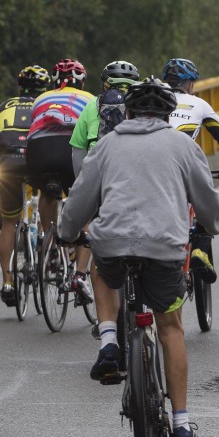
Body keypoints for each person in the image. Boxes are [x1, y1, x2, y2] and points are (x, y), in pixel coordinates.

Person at [58, 77, 219, 437]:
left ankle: (109, 343)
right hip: (165, 250)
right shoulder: (183, 145)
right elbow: (207, 199)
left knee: (102, 269)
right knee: (171, 328)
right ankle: (182, 425)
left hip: (113, 245)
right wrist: (214, 225)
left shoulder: (106, 145)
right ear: (169, 114)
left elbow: (82, 197)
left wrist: (67, 231)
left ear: (128, 112)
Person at [69, 59, 139, 336]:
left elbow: (77, 151)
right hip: (137, 186)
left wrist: (82, 189)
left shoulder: (92, 106)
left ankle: (106, 326)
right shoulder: (143, 105)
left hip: (101, 185)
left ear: (105, 84)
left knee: (101, 249)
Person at [161, 57, 219, 284]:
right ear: (189, 83)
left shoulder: (152, 100)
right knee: (207, 200)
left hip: (149, 165)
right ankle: (200, 248)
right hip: (183, 167)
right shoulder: (199, 104)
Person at [26, 58, 95, 303]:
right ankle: (79, 276)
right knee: (84, 204)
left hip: (38, 151)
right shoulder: (90, 99)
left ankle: (50, 244)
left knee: (46, 191)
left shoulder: (40, 99)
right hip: (68, 150)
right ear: (82, 81)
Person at [0, 65, 52, 306]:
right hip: (35, 162)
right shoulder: (47, 105)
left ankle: (7, 282)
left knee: (9, 222)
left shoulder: (4, 106)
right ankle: (48, 249)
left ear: (20, 87)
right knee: (50, 198)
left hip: (6, 164)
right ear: (45, 88)